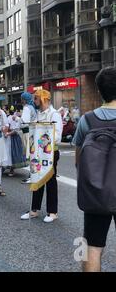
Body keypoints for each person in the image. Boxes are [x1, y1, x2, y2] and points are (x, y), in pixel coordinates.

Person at [73, 67, 116, 272]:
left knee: (90, 245)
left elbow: (79, 161)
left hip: (96, 192)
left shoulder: (87, 120)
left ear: (99, 91)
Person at [20, 90, 63, 223]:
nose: (35, 101)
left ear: (44, 99)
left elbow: (57, 136)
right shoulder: (37, 113)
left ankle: (53, 211)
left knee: (50, 181)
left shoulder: (54, 114)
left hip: (50, 153)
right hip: (38, 152)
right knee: (36, 178)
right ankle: (34, 210)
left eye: (37, 99)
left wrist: (41, 140)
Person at [19, 92, 37, 184]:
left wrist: (17, 119)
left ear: (24, 99)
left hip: (27, 133)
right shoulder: (32, 107)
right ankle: (33, 174)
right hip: (33, 132)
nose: (21, 100)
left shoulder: (26, 108)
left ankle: (32, 175)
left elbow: (23, 123)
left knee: (30, 154)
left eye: (22, 98)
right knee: (32, 153)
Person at [3, 109, 25, 177]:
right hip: (8, 137)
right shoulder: (8, 118)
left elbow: (16, 130)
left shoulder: (18, 119)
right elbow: (6, 126)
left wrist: (8, 133)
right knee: (7, 153)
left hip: (14, 138)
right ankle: (5, 167)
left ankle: (12, 169)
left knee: (13, 153)